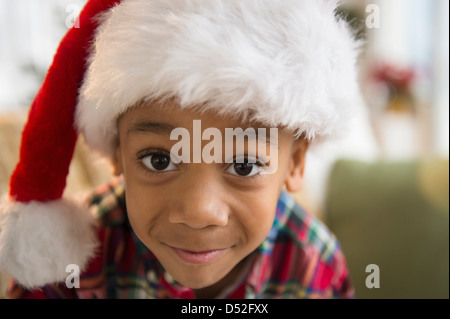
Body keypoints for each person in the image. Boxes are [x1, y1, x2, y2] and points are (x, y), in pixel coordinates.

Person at [0, 0, 361, 299]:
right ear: (117, 153)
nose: (198, 211)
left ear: (295, 162)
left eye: (244, 166)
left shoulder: (312, 264)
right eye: (159, 160)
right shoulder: (66, 268)